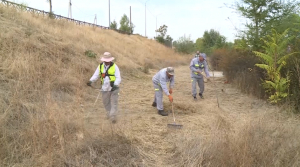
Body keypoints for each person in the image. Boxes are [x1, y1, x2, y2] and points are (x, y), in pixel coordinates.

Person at [87, 52, 121, 123]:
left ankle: (113, 116)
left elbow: (118, 77)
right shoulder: (100, 66)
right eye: (105, 61)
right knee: (106, 102)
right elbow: (96, 75)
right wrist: (90, 81)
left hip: (113, 88)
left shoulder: (115, 66)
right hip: (104, 88)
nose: (106, 62)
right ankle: (109, 113)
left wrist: (115, 84)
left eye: (108, 61)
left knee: (114, 102)